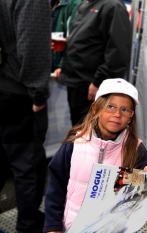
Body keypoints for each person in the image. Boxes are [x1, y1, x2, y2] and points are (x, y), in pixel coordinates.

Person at [44, 78, 147, 232]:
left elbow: (133, 200)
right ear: (95, 108)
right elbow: (55, 188)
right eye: (110, 106)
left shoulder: (136, 150)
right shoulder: (74, 144)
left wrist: (143, 187)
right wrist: (53, 227)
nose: (117, 114)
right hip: (70, 227)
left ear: (131, 116)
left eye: (125, 110)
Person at [0, 0, 51, 232]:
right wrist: (39, 95)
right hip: (17, 92)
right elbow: (33, 47)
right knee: (27, 165)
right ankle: (28, 226)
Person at [53, 0, 132, 126]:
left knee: (91, 134)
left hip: (91, 87)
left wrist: (99, 82)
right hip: (76, 83)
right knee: (79, 130)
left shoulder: (113, 6)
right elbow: (88, 42)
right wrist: (65, 64)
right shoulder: (85, 4)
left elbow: (119, 52)